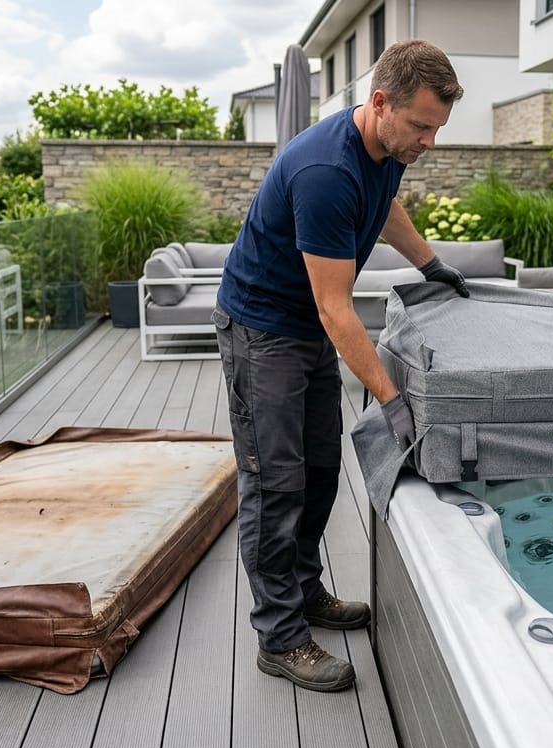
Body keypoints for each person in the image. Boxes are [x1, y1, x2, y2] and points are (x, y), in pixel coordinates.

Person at [212, 39, 468, 693]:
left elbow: (382, 209)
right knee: (275, 484)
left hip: (304, 329)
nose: (429, 142)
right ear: (380, 103)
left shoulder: (386, 150)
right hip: (262, 332)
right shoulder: (325, 170)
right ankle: (280, 637)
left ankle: (304, 592)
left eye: (436, 128)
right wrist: (391, 400)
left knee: (321, 471)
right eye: (421, 126)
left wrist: (431, 265)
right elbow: (335, 309)